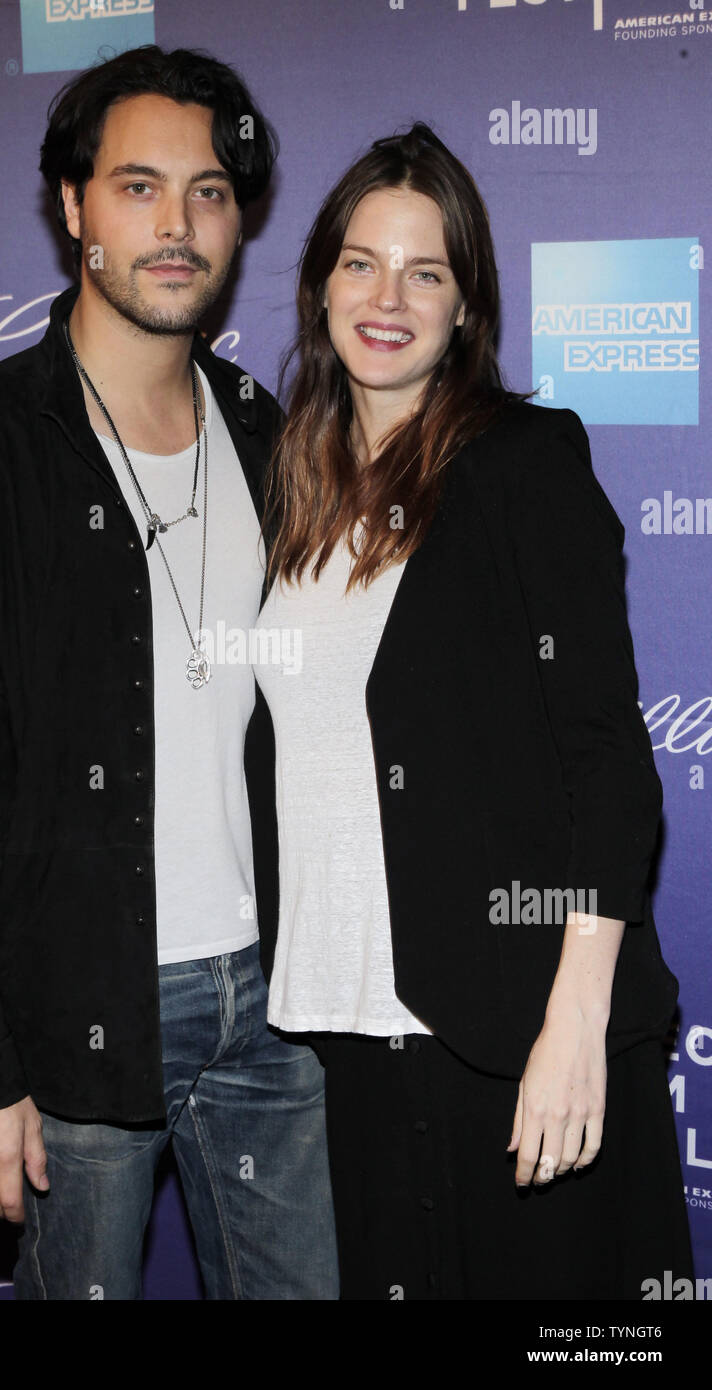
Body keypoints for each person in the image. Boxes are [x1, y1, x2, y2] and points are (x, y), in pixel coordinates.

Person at [0, 45, 338, 1301]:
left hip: (279, 1005)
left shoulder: (270, 434)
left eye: (209, 191)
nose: (176, 225)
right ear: (73, 209)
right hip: (72, 1009)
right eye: (137, 187)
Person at [252, 122, 693, 1300]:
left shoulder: (523, 465)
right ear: (319, 284)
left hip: (514, 1029)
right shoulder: (287, 481)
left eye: (425, 271)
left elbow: (605, 759)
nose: (387, 297)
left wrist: (573, 1030)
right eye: (361, 262)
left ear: (464, 307)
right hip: (349, 1032)